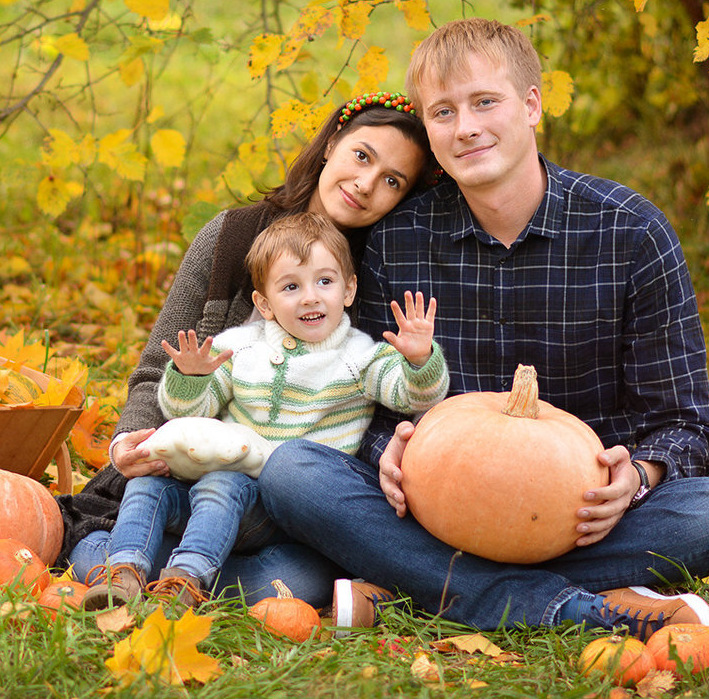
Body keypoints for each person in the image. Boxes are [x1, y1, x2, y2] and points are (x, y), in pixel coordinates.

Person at [256, 19, 709, 640]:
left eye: (484, 102)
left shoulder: (632, 233)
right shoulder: (398, 238)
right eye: (442, 112)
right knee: (293, 473)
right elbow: (369, 396)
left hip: (579, 516)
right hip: (434, 510)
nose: (465, 128)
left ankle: (413, 586)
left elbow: (685, 423)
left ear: (531, 105)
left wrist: (638, 478)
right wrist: (390, 451)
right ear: (429, 131)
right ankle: (579, 606)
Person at [56, 91, 439, 608]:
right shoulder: (231, 238)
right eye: (362, 156)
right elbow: (158, 372)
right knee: (108, 530)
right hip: (188, 471)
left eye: (393, 180)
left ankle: (174, 576)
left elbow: (392, 392)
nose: (366, 184)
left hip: (283, 505)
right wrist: (129, 442)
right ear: (331, 145)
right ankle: (142, 570)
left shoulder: (380, 270)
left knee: (297, 579)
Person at [82, 212, 449, 611]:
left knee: (225, 485)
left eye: (324, 282)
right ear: (264, 303)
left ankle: (185, 580)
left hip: (277, 511)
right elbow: (189, 410)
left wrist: (420, 359)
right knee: (146, 486)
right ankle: (123, 573)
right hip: (205, 498)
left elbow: (410, 395)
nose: (310, 296)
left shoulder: (360, 357)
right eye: (291, 286)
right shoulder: (238, 347)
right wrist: (190, 379)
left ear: (348, 290)